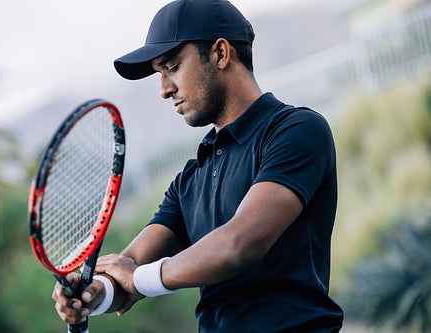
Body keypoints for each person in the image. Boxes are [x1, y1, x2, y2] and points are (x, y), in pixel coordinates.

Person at [52, 0, 344, 331]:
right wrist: (91, 294)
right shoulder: (191, 179)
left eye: (173, 67)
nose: (164, 90)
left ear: (220, 53)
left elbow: (239, 245)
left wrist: (139, 277)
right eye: (160, 75)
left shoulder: (296, 130)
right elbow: (128, 267)